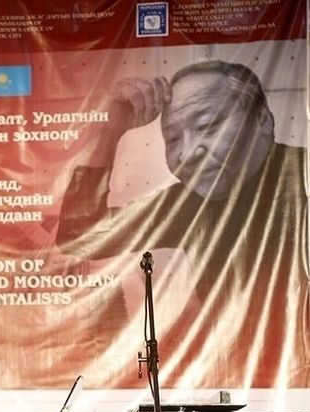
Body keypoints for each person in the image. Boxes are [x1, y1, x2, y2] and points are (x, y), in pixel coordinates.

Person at [56, 60, 309, 386]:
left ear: (263, 119)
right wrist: (110, 132)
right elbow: (81, 237)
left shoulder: (303, 176)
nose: (188, 152)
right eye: (173, 139)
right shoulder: (186, 204)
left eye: (207, 125)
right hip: (241, 382)